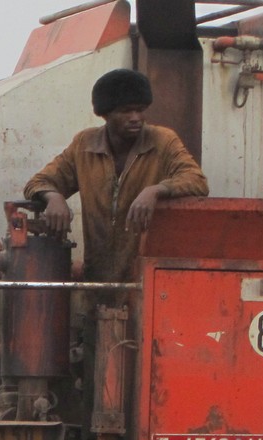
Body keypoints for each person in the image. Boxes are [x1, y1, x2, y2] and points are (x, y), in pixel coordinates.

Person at [24, 69, 209, 283]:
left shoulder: (163, 141)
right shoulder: (84, 145)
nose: (136, 118)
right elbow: (37, 182)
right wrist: (53, 198)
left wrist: (155, 190)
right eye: (126, 111)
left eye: (140, 110)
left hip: (146, 281)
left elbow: (197, 180)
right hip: (97, 280)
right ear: (105, 114)